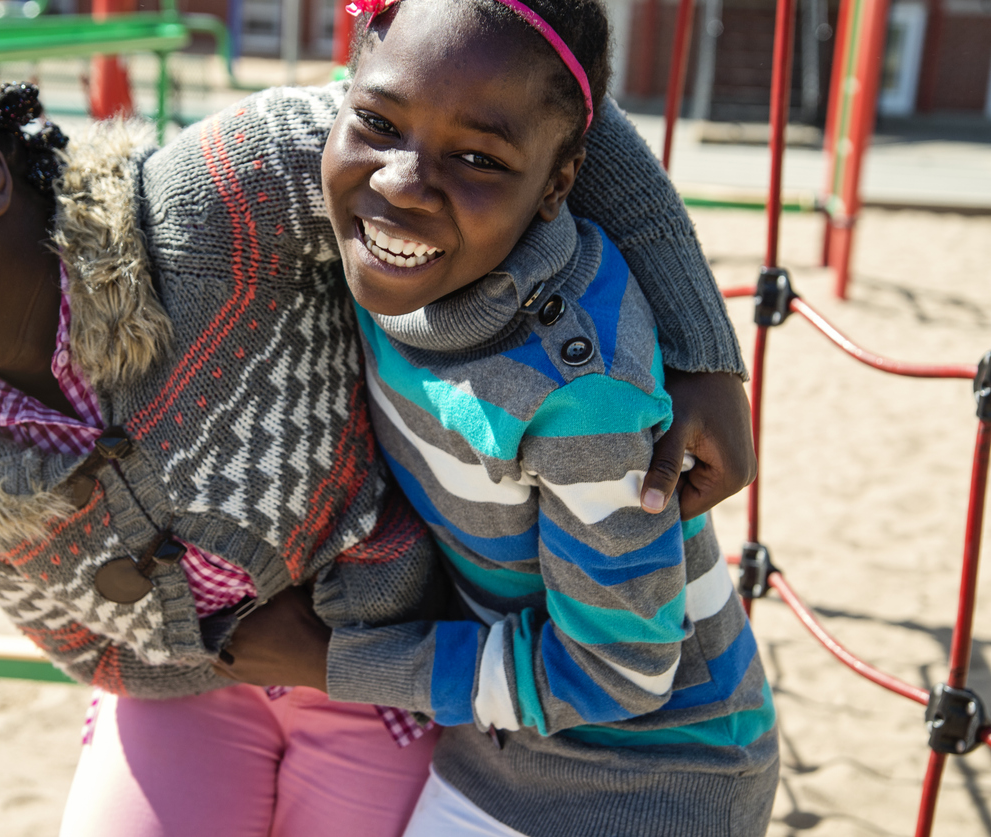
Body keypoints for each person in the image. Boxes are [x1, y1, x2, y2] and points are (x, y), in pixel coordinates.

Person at [0, 15, 756, 837]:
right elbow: (69, 635)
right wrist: (193, 651)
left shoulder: (216, 204)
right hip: (196, 686)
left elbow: (535, 84)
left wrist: (707, 351)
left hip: (391, 653)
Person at [215, 1, 780, 835]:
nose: (401, 183)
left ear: (558, 184)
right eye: (376, 121)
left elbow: (619, 673)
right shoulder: (392, 252)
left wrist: (328, 661)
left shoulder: (575, 398)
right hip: (502, 737)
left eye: (478, 157)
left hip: (654, 773)